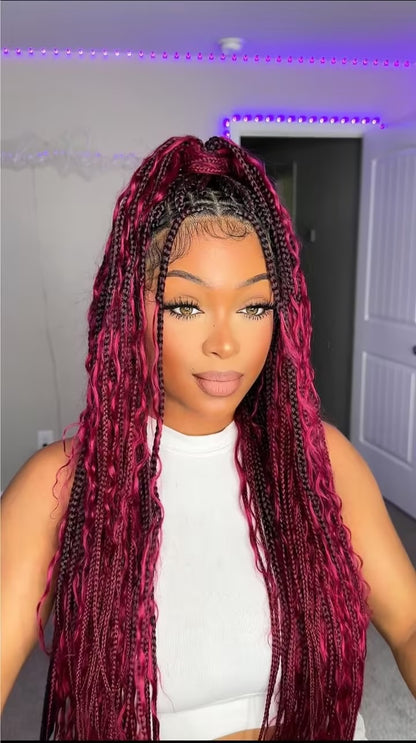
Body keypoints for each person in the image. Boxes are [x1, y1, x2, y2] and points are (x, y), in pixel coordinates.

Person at [1, 135, 415, 742]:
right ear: (130, 308)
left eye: (253, 307)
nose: (225, 343)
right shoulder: (60, 485)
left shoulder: (320, 460)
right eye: (186, 305)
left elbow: (408, 626)